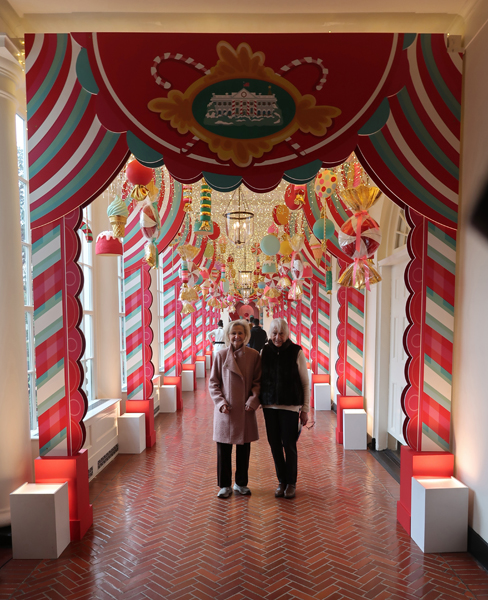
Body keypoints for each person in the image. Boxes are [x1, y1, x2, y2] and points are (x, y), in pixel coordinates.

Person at [209, 319, 261, 499]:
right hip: (226, 410)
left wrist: (253, 400)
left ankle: (241, 483)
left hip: (245, 409)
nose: (236, 336)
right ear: (228, 335)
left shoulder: (254, 356)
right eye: (233, 333)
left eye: (240, 333)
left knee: (244, 449)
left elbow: (258, 382)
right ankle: (224, 485)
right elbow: (213, 383)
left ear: (246, 335)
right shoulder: (221, 355)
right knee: (223, 450)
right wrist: (220, 403)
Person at [260, 318, 310, 499]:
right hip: (269, 405)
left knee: (289, 445)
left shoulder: (296, 351)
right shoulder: (264, 351)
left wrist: (305, 409)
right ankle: (281, 481)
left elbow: (305, 383)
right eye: (274, 333)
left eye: (281, 333)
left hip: (290, 406)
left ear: (287, 334)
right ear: (270, 334)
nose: (277, 337)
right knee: (274, 445)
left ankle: (291, 483)